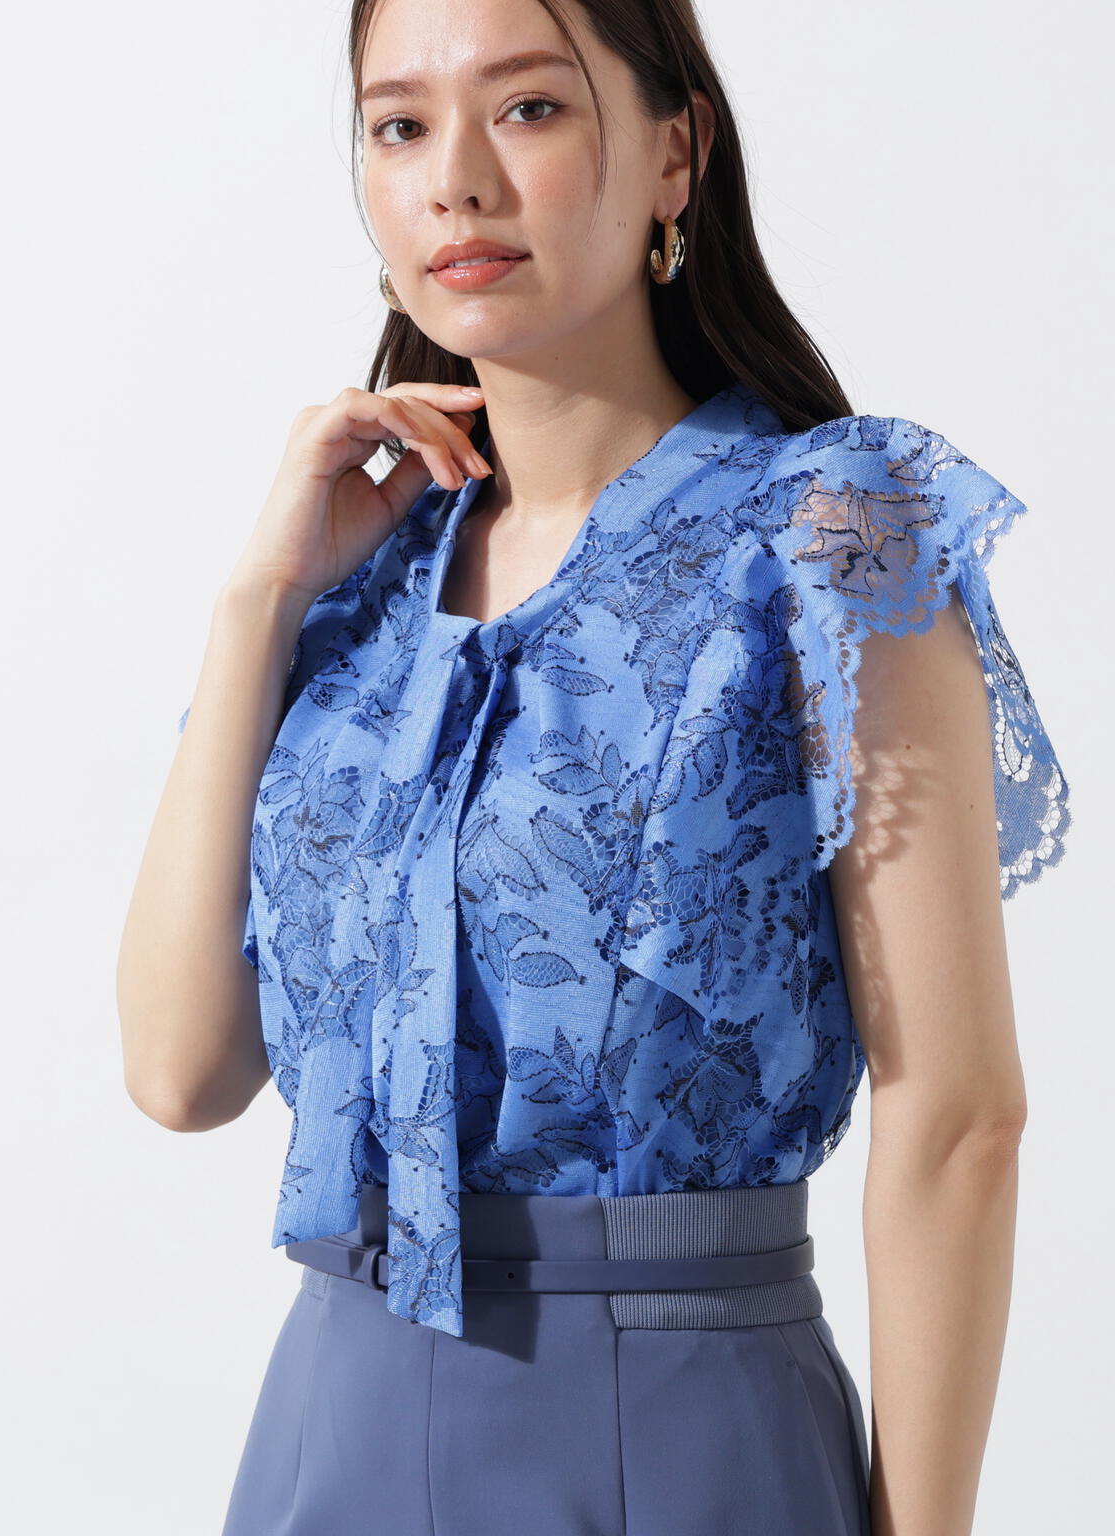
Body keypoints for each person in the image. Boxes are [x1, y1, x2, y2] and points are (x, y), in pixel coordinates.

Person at [116, 1, 1071, 1532]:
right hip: (331, 1432)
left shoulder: (829, 536)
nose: (456, 179)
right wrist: (258, 603)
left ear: (675, 153)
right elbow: (181, 1073)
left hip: (681, 1433)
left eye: (530, 108)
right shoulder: (351, 593)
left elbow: (958, 1119)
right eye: (400, 124)